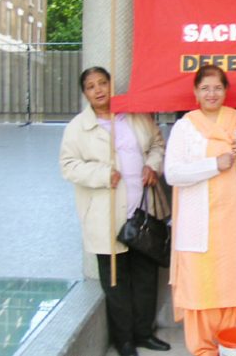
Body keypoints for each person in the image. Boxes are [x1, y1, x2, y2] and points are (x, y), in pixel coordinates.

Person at [59, 66, 170, 356]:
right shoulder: (78, 128)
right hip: (106, 217)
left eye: (102, 83)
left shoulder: (135, 115)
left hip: (143, 212)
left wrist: (152, 165)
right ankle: (124, 341)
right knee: (116, 282)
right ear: (84, 93)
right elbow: (68, 165)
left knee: (146, 276)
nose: (98, 90)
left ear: (111, 85)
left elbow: (158, 144)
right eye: (91, 86)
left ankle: (145, 333)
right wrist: (100, 174)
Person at [164, 65, 236, 356]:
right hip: (199, 230)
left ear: (226, 91)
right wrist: (213, 165)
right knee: (200, 294)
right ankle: (204, 351)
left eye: (218, 88)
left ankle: (234, 346)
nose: (212, 93)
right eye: (205, 88)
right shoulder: (185, 127)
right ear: (196, 92)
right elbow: (172, 174)